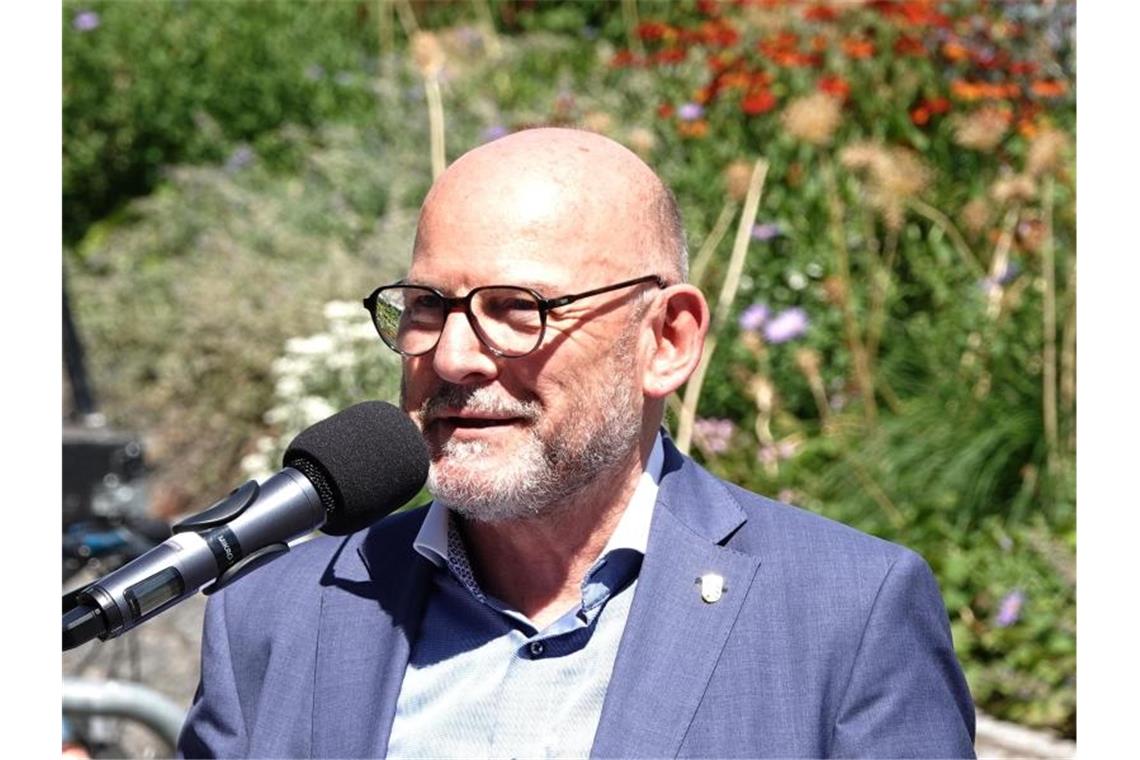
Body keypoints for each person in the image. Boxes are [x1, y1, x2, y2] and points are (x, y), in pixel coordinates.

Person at [178, 127, 976, 758]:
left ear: (666, 340)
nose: (453, 356)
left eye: (518, 307)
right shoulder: (274, 617)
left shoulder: (845, 614)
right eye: (426, 305)